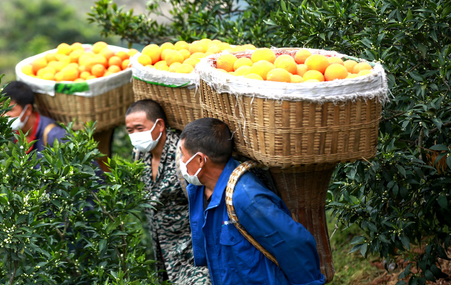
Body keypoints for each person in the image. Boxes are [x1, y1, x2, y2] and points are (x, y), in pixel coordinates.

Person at [179, 117, 326, 285]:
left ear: (200, 160)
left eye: (183, 155)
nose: (181, 162)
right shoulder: (197, 189)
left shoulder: (246, 198)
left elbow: (295, 244)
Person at [125, 100, 211, 285]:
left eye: (140, 128)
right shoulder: (139, 155)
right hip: (162, 257)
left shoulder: (182, 156)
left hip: (193, 259)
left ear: (160, 125)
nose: (135, 135)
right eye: (130, 131)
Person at [2, 80, 68, 154]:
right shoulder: (14, 135)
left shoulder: (54, 135)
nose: (4, 115)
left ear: (28, 109)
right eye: (2, 110)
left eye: (10, 110)